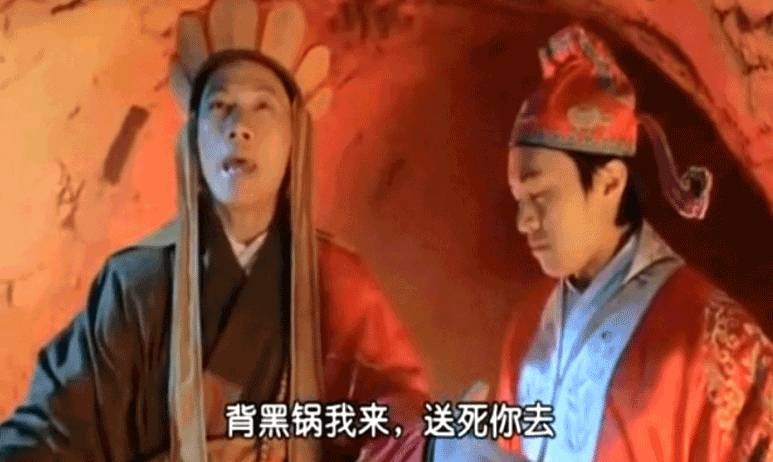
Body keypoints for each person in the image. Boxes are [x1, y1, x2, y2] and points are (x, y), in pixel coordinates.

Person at [0, 39, 428, 462]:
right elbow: (57, 426)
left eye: (263, 106)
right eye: (220, 106)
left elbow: (396, 412)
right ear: (192, 138)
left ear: (294, 139)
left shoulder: (337, 279)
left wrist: (437, 445)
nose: (239, 127)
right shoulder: (136, 282)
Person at [424, 24, 773, 462]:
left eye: (540, 195)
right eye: (519, 199)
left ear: (610, 183)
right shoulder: (528, 325)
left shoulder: (715, 339)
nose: (523, 220)